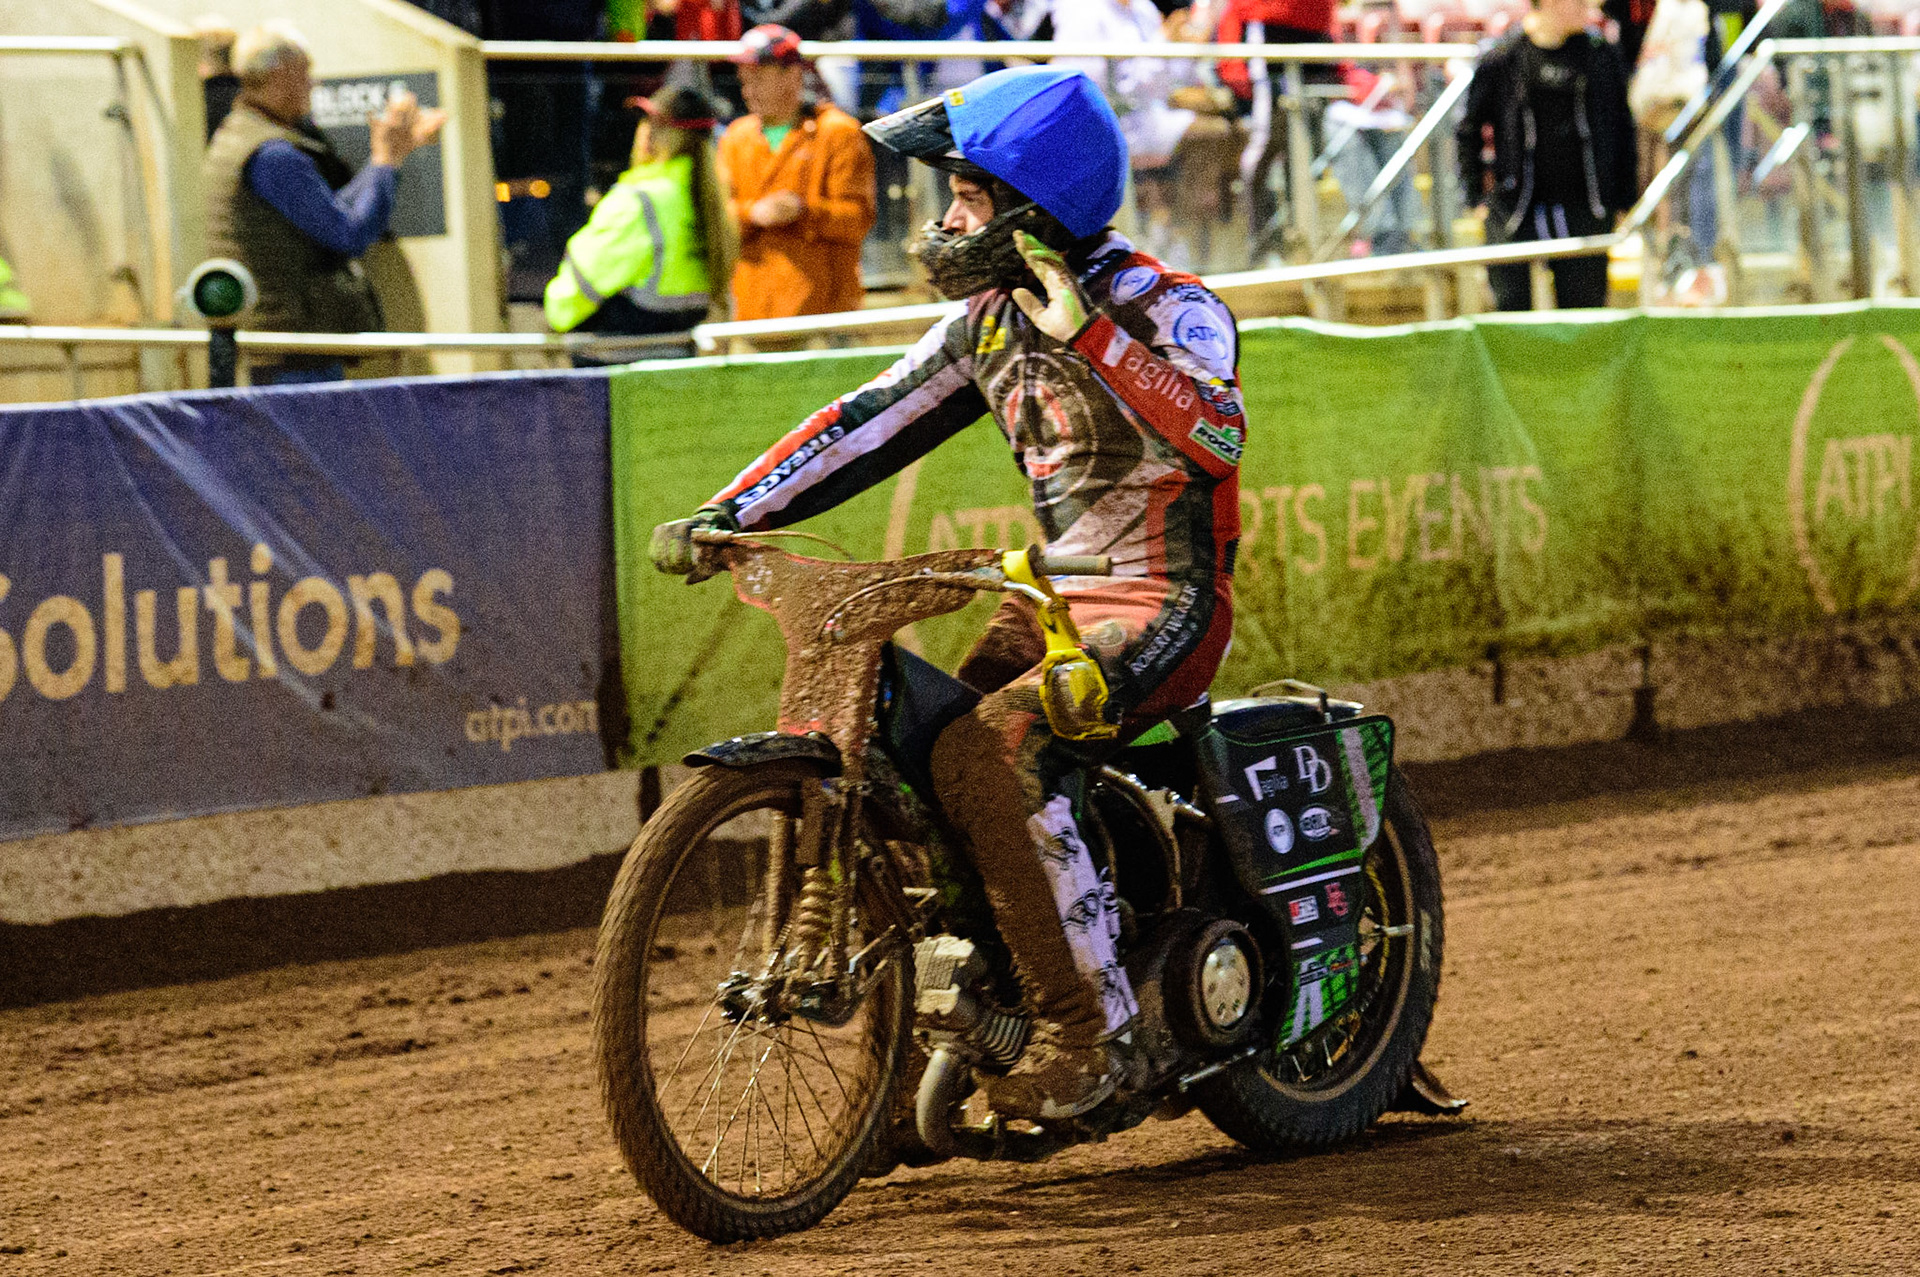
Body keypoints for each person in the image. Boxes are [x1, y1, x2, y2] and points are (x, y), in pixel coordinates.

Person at [653, 67, 1246, 1121]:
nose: (942, 217)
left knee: (991, 748)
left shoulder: (1169, 304)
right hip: (1053, 598)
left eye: (967, 197)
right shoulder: (981, 322)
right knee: (922, 762)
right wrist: (729, 511)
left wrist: (1092, 340)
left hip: (1165, 602)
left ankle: (1089, 1034)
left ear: (1031, 208)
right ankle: (961, 1013)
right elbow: (869, 419)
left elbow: (1218, 437)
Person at [202, 24, 444, 382]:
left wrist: (390, 155)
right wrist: (386, 161)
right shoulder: (272, 154)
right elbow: (348, 234)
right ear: (280, 75)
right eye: (305, 73)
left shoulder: (242, 134)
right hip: (290, 354)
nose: (312, 85)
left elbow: (331, 211)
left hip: (278, 348)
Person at [1457, 0, 1637, 310]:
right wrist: (1476, 198)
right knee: (1512, 314)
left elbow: (1622, 127)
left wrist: (1623, 199)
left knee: (1584, 318)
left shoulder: (1599, 55)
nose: (1590, 8)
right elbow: (1468, 129)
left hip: (1585, 205)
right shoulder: (1504, 57)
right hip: (1517, 207)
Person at [544, 89, 737, 361]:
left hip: (613, 369)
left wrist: (554, 312)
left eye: (652, 124)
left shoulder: (637, 201)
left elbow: (574, 292)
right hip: (679, 362)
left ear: (658, 138)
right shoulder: (711, 200)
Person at [717, 25, 876, 320]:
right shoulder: (736, 137)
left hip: (826, 313)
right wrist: (753, 213)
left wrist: (803, 212)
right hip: (751, 311)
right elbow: (718, 217)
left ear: (792, 75)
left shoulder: (839, 133)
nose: (747, 90)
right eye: (744, 80)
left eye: (758, 78)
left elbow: (857, 220)